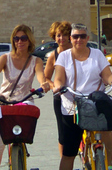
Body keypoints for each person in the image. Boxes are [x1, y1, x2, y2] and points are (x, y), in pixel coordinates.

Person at [53, 23, 112, 170]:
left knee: (106, 130)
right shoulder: (64, 56)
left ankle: (109, 163)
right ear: (70, 38)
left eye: (82, 36)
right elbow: (59, 77)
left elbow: (107, 75)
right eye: (75, 36)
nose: (78, 39)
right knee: (69, 153)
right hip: (72, 106)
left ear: (87, 38)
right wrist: (58, 86)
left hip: (94, 102)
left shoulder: (97, 54)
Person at [0, 24, 51, 170]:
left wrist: (43, 83)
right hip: (4, 102)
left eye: (23, 38)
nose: (20, 41)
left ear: (30, 40)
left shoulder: (35, 61)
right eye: (16, 38)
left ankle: (20, 154)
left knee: (24, 131)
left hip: (25, 102)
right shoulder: (5, 58)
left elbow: (40, 75)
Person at [45, 20, 73, 156]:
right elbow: (46, 78)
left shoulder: (76, 51)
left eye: (64, 35)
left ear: (69, 36)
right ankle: (64, 161)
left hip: (78, 94)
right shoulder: (53, 56)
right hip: (60, 97)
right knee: (62, 133)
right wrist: (55, 86)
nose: (61, 38)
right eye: (58, 35)